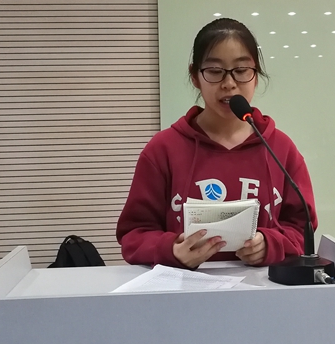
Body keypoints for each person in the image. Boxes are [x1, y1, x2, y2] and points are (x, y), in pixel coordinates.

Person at [116, 17, 317, 269]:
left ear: (255, 76)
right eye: (214, 71)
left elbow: (302, 229)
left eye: (241, 70)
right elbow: (134, 235)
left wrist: (271, 244)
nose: (229, 84)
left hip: (264, 289)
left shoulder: (280, 149)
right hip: (184, 289)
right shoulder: (163, 149)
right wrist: (172, 250)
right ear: (195, 77)